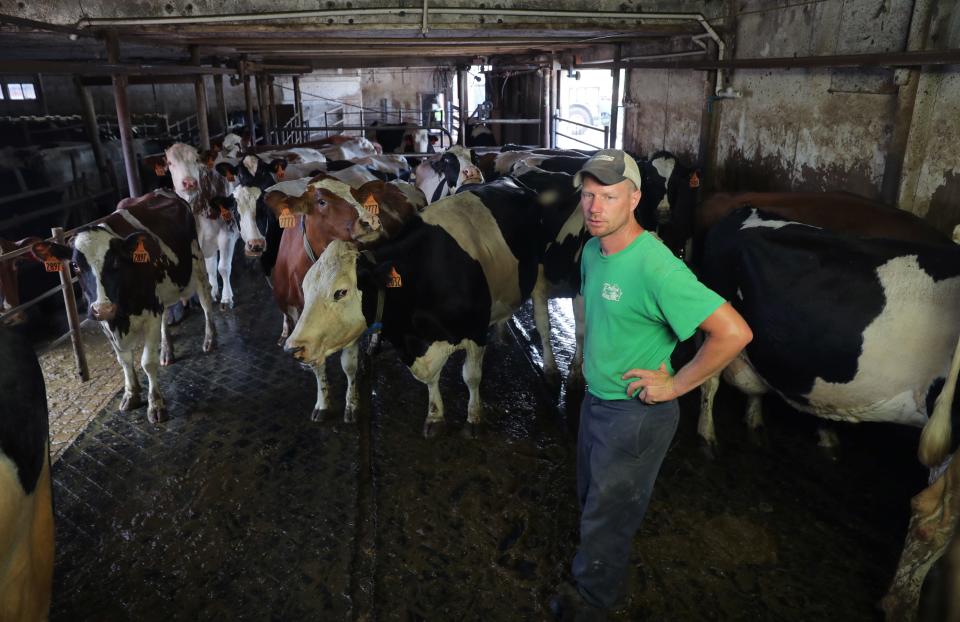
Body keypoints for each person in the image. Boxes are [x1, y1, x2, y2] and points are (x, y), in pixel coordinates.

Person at [550, 149, 753, 620]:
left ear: (635, 198)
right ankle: (597, 577)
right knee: (591, 498)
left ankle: (594, 603)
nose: (595, 207)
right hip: (598, 402)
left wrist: (677, 385)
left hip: (636, 414)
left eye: (609, 196)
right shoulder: (594, 253)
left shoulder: (657, 266)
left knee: (608, 514)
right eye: (588, 196)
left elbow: (734, 332)